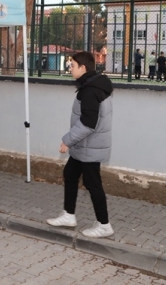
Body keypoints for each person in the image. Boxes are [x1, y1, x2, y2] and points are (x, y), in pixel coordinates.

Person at [46, 51, 114, 238]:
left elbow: (88, 123)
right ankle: (69, 215)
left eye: (73, 65)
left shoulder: (90, 91)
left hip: (89, 147)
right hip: (84, 146)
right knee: (70, 173)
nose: (70, 68)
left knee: (93, 184)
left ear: (83, 68)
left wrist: (67, 140)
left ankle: (104, 225)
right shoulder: (93, 85)